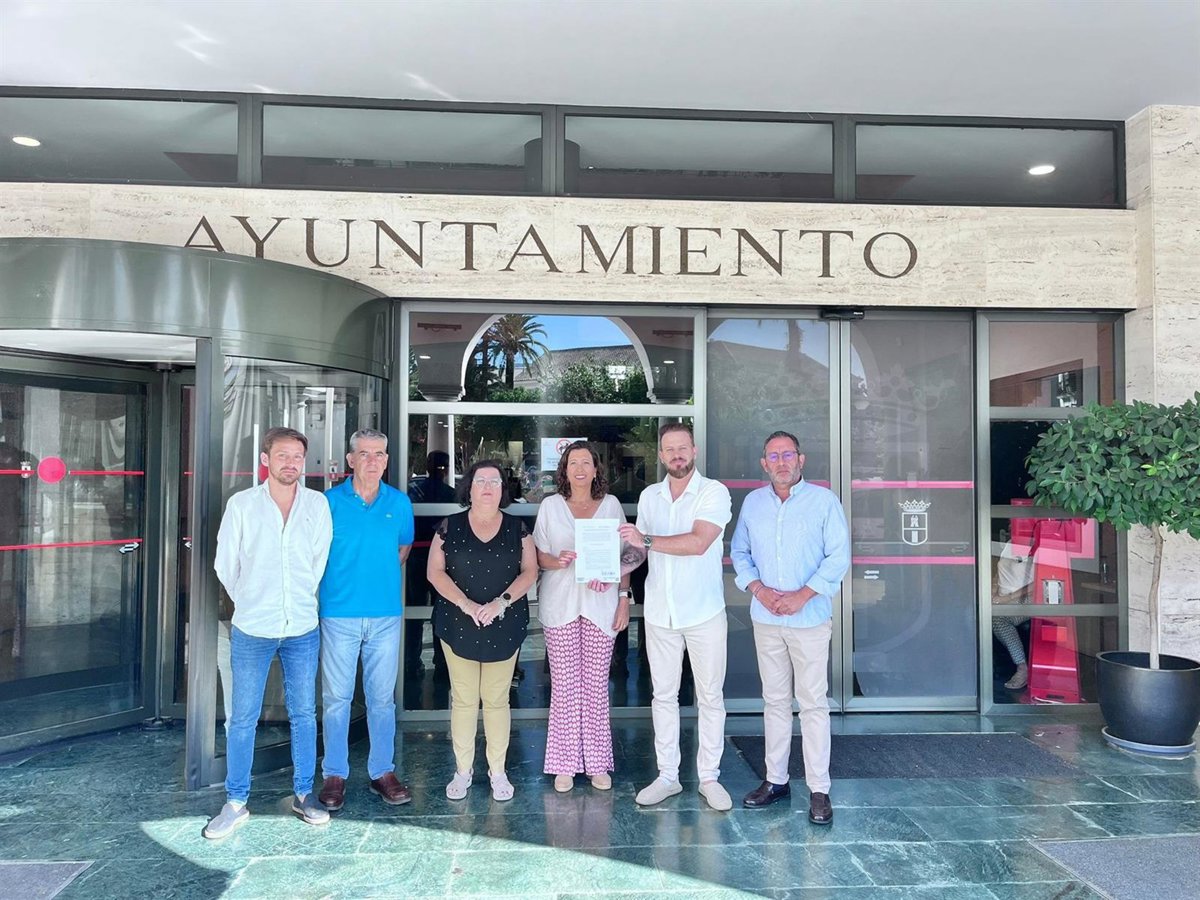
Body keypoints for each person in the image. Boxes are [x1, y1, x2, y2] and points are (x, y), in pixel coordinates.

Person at [205, 426, 333, 839]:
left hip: (301, 626)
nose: (291, 463)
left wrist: (296, 597)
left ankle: (304, 793)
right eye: (282, 455)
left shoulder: (316, 505)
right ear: (265, 460)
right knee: (242, 717)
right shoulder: (242, 505)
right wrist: (250, 599)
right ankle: (235, 801)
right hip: (253, 628)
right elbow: (225, 564)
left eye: (297, 456)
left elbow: (318, 561)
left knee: (303, 714)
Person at [731, 430, 849, 824]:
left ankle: (819, 789)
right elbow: (740, 552)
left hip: (809, 619)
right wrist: (759, 589)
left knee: (813, 703)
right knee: (775, 701)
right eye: (773, 456)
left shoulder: (824, 501)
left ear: (801, 459)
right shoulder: (753, 503)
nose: (781, 462)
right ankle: (776, 780)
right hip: (767, 619)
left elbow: (838, 557)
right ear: (764, 464)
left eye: (787, 455)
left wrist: (803, 595)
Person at [618, 423, 734, 812]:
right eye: (669, 449)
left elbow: (699, 542)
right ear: (661, 455)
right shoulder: (650, 496)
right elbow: (637, 552)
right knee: (663, 696)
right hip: (659, 613)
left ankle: (709, 778)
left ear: (694, 451)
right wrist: (611, 574)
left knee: (710, 697)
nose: (677, 455)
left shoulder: (713, 492)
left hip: (703, 612)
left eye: (683, 448)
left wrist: (645, 540)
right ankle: (667, 776)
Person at [534, 440, 646, 792]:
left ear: (596, 469)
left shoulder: (610, 506)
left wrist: (624, 597)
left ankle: (597, 763)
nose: (580, 469)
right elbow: (539, 557)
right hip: (560, 605)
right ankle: (564, 765)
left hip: (601, 606)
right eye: (573, 463)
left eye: (586, 462)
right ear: (564, 470)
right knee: (565, 687)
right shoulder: (551, 506)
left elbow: (628, 555)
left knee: (596, 686)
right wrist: (558, 561)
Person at [426, 458, 538, 802]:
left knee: (496, 699)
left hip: (504, 623)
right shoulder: (449, 526)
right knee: (463, 699)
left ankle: (497, 771)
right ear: (469, 488)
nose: (488, 487)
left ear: (503, 489)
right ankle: (463, 771)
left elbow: (530, 571)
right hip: (458, 622)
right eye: (481, 481)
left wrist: (501, 603)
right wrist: (466, 604)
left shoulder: (518, 528)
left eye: (494, 482)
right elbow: (435, 572)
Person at [317, 428, 415, 812]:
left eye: (379, 454)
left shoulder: (399, 503)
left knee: (381, 700)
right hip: (339, 614)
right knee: (337, 700)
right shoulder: (328, 503)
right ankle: (334, 774)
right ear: (350, 459)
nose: (372, 460)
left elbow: (403, 548)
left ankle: (382, 772)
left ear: (387, 460)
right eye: (364, 453)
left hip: (385, 615)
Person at [405, 450, 456, 679]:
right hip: (440, 559)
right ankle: (441, 663)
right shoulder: (451, 494)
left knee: (414, 611)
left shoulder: (413, 491)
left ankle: (411, 661)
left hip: (416, 556)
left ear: (427, 465)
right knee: (441, 611)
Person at [992, 540, 1036, 690]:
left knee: (999, 618)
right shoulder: (1010, 543)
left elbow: (1037, 582)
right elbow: (999, 574)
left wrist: (1007, 598)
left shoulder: (1037, 546)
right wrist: (993, 591)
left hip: (1026, 597)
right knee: (969, 613)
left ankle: (1022, 667)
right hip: (1001, 597)